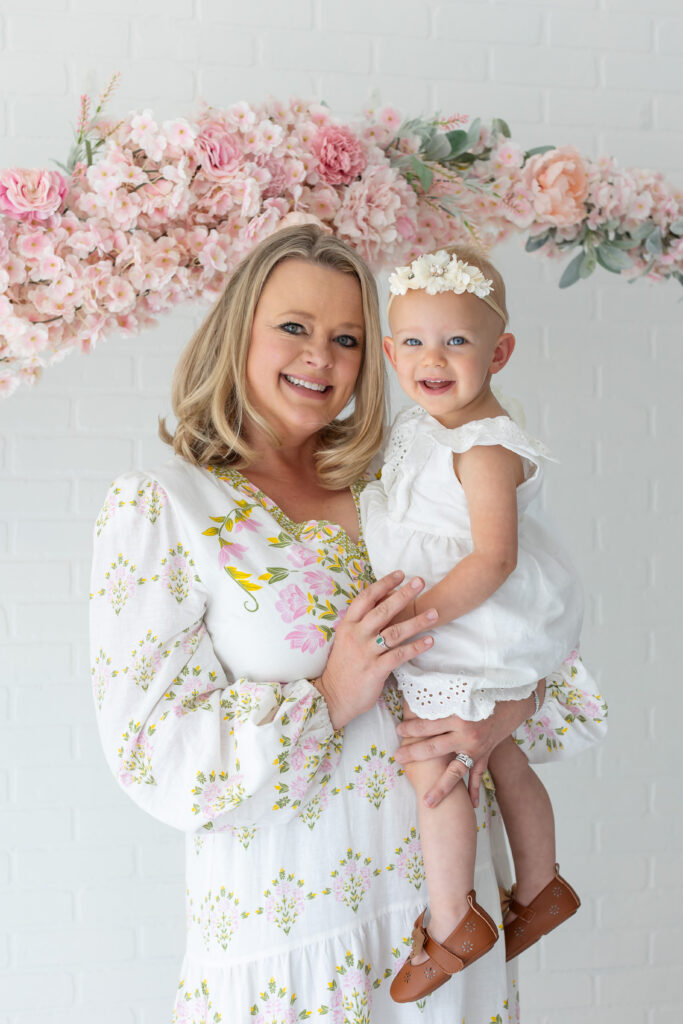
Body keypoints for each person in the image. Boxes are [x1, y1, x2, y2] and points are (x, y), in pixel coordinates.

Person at [89, 224, 607, 1022]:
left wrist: (506, 712)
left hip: (444, 924)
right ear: (239, 332)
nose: (320, 358)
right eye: (294, 327)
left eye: (348, 339)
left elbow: (531, 615)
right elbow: (153, 754)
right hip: (293, 930)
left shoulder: (403, 482)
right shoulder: (167, 507)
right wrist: (331, 689)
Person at [360, 245, 601, 1003]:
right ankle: (539, 886)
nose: (431, 357)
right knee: (504, 758)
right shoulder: (429, 424)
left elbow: (493, 558)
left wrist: (415, 616)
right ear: (391, 347)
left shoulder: (485, 444)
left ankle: (454, 921)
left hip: (476, 630)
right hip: (476, 627)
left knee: (435, 770)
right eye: (412, 341)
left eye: (456, 341)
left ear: (498, 352)